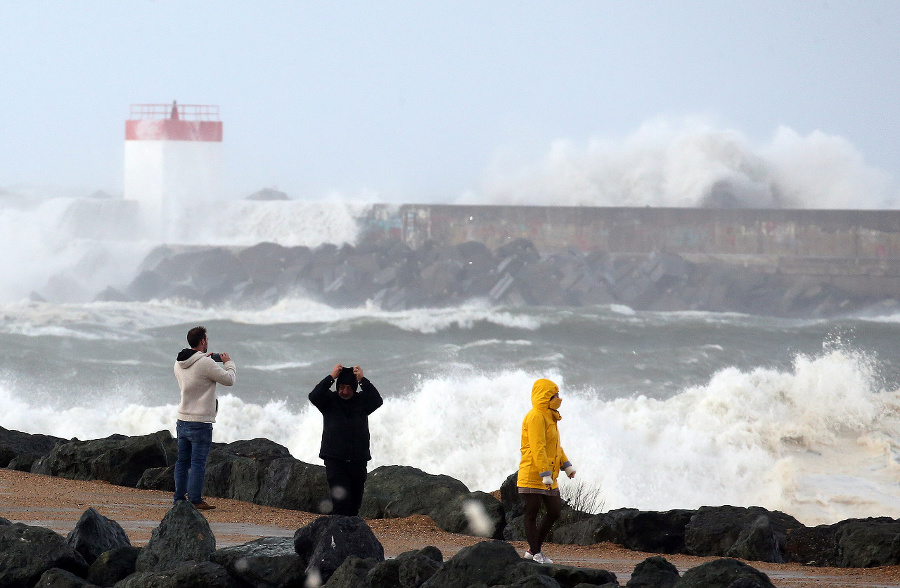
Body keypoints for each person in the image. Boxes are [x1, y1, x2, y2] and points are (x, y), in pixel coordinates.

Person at [173, 325, 236, 510]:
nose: (207, 342)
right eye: (206, 339)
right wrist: (228, 362)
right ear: (202, 341)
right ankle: (195, 499)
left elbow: (195, 375)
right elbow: (229, 379)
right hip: (200, 421)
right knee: (198, 463)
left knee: (182, 462)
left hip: (182, 418)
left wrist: (204, 360)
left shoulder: (178, 362)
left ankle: (178, 498)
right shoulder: (205, 363)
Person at [309, 363, 383, 516]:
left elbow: (378, 400)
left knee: (354, 506)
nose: (344, 391)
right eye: (341, 387)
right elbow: (314, 395)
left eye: (349, 387)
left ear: (355, 387)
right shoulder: (329, 401)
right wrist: (331, 377)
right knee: (341, 505)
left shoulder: (362, 401)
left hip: (358, 460)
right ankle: (337, 538)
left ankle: (351, 538)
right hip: (335, 460)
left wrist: (362, 380)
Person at [517, 378, 576, 564]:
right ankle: (535, 554)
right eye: (555, 395)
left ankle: (532, 550)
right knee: (531, 513)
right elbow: (537, 447)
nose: (558, 398)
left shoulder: (551, 416)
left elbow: (555, 446)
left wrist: (566, 465)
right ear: (545, 396)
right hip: (534, 474)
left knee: (555, 511)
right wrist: (544, 473)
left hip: (549, 475)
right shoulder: (535, 416)